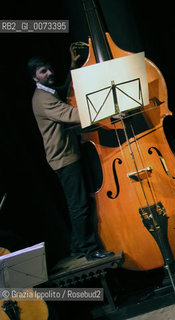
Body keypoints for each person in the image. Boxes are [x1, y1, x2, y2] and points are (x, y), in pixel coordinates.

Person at [28, 43, 113, 261]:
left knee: (80, 202)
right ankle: (89, 249)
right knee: (80, 206)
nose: (49, 73)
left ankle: (77, 246)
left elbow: (66, 94)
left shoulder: (48, 93)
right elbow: (71, 113)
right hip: (63, 159)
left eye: (49, 68)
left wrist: (73, 64)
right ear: (35, 78)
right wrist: (109, 108)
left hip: (68, 155)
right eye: (43, 71)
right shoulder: (42, 99)